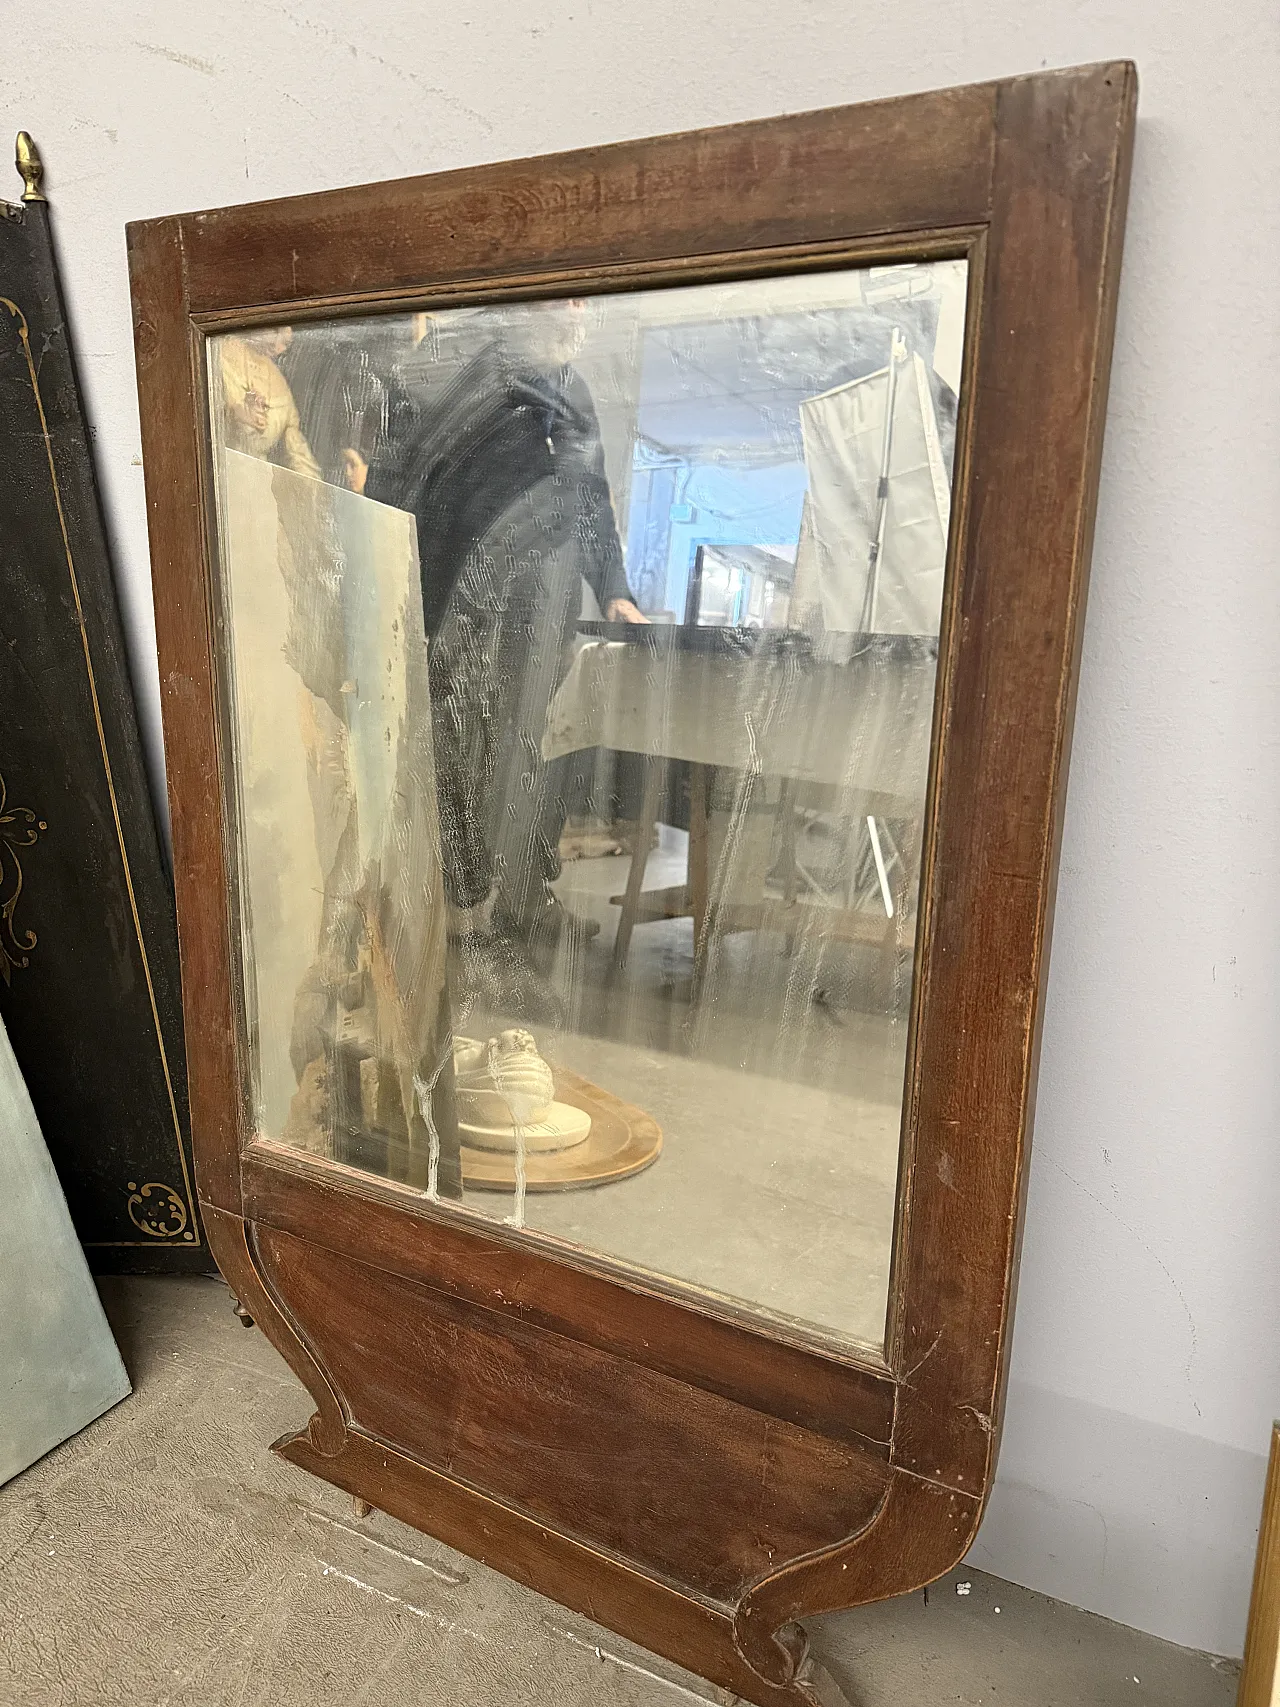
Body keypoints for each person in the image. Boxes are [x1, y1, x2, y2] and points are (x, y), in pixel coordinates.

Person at [366, 301, 646, 991]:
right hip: (453, 598)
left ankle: (515, 899)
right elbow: (405, 481)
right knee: (455, 748)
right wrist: (396, 594)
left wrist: (614, 588)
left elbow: (589, 502)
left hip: (536, 608)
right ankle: (463, 918)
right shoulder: (463, 371)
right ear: (524, 306)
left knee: (525, 749)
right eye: (567, 299)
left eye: (586, 300)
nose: (580, 312)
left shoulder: (570, 389)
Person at [217, 326, 321, 478]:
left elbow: (298, 453)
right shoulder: (219, 352)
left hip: (259, 481)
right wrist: (235, 413)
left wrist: (311, 490)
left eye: (286, 342)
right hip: (220, 473)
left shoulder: (279, 383)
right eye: (274, 331)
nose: (277, 346)